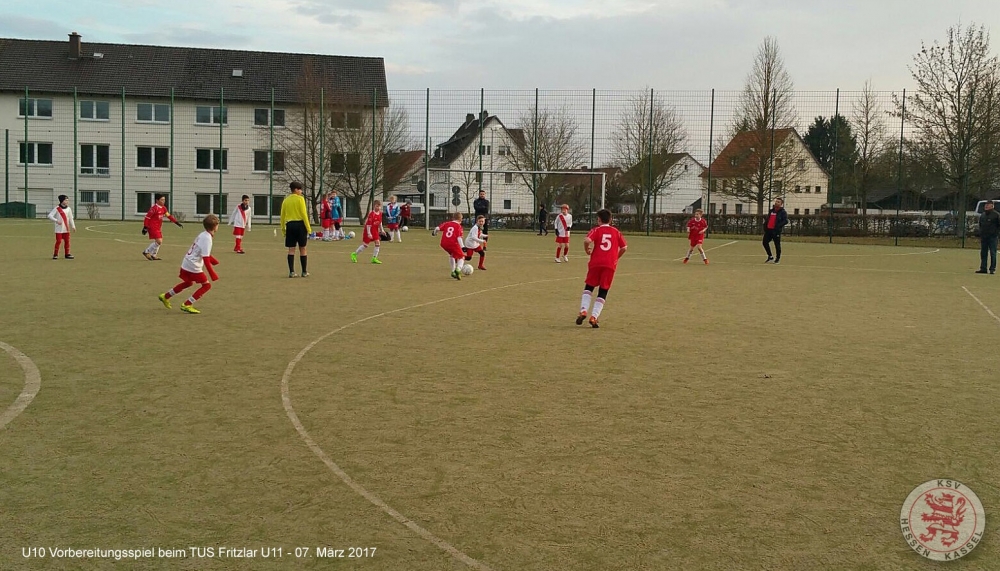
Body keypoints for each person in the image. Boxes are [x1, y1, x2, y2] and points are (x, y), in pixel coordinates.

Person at [157, 214, 220, 314]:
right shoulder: (208, 239)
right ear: (215, 226)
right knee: (206, 286)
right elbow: (206, 258)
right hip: (193, 265)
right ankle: (187, 304)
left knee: (188, 282)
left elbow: (201, 251)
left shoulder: (203, 234)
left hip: (186, 262)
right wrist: (213, 274)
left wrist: (214, 261)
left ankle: (165, 296)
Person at [576, 209, 627, 328]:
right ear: (610, 220)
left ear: (599, 220)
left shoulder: (596, 230)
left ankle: (583, 310)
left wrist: (587, 249)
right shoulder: (616, 232)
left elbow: (587, 240)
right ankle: (594, 317)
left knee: (589, 287)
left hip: (596, 263)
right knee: (603, 291)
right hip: (610, 265)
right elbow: (624, 247)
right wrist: (616, 257)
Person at [280, 181, 311, 277]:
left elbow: (282, 216)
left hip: (290, 225)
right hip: (300, 225)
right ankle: (304, 272)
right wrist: (308, 228)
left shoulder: (286, 200)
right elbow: (304, 214)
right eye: (300, 189)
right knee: (303, 248)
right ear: (296, 190)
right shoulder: (300, 199)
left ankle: (292, 272)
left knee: (291, 249)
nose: (301, 191)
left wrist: (283, 229)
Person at [142, 193, 183, 260]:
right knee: (159, 241)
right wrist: (145, 227)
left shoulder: (164, 208)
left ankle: (153, 255)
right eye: (162, 200)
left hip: (158, 227)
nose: (163, 201)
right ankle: (146, 252)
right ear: (157, 200)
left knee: (158, 242)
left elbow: (169, 216)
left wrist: (176, 222)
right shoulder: (154, 209)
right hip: (152, 227)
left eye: (164, 200)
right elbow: (147, 218)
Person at [433, 212, 467, 280]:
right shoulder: (459, 226)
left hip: (444, 244)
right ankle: (458, 269)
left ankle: (453, 271)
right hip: (453, 244)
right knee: (462, 257)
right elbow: (459, 238)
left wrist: (434, 233)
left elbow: (437, 228)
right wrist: (463, 247)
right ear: (460, 219)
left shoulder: (447, 223)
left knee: (452, 255)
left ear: (453, 218)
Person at [351, 200, 384, 264]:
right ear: (374, 206)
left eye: (379, 206)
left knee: (377, 243)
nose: (378, 208)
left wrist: (382, 230)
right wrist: (369, 233)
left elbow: (380, 223)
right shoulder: (372, 214)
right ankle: (354, 254)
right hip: (368, 231)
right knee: (365, 245)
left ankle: (374, 258)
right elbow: (368, 225)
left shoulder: (380, 213)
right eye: (377, 206)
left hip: (375, 231)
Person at [47, 194, 76, 259]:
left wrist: (73, 226)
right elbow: (50, 216)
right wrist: (56, 220)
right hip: (59, 229)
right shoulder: (57, 208)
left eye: (67, 200)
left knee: (67, 241)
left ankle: (67, 254)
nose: (67, 201)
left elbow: (71, 218)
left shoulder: (68, 209)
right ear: (62, 201)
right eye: (65, 200)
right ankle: (55, 254)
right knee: (58, 241)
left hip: (66, 228)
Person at [762, 198, 788, 264]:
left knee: (777, 244)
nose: (776, 203)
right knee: (765, 242)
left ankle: (777, 258)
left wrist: (778, 226)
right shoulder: (771, 211)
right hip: (769, 230)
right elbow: (768, 219)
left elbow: (785, 221)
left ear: (781, 204)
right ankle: (770, 256)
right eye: (776, 201)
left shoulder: (783, 212)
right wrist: (765, 226)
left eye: (778, 202)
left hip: (776, 231)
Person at [977, 201, 1000, 274]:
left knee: (993, 253)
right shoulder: (983, 215)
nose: (986, 206)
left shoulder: (996, 215)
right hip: (984, 237)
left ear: (992, 206)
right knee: (983, 253)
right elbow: (980, 225)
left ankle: (992, 269)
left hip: (993, 237)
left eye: (988, 205)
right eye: (985, 205)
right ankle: (983, 268)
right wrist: (980, 233)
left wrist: (996, 233)